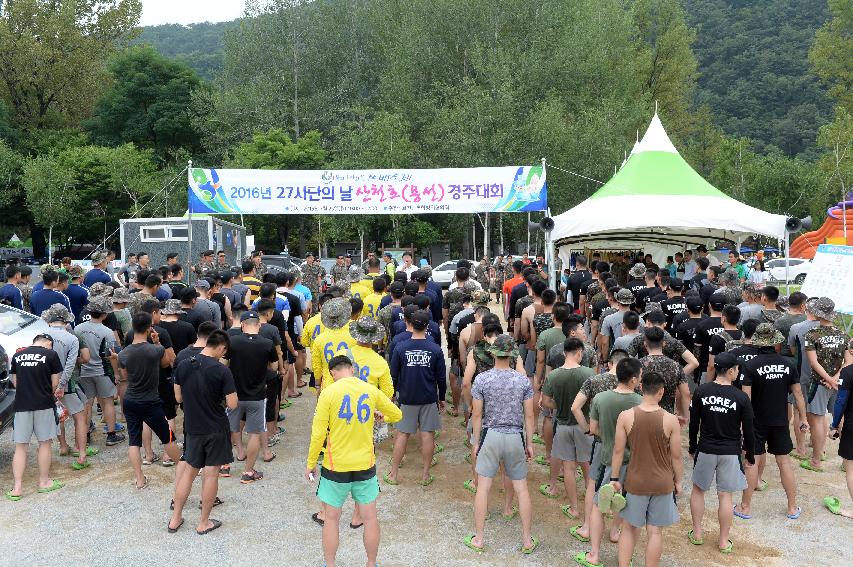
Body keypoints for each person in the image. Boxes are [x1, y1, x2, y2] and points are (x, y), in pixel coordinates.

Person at [305, 355, 402, 567]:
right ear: (352, 369)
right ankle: (371, 563)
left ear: (332, 373)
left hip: (335, 466)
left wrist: (311, 462)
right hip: (365, 465)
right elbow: (396, 414)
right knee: (370, 518)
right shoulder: (369, 390)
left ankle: (330, 564)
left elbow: (318, 432)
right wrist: (381, 417)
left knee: (331, 519)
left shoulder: (328, 393)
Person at [463, 334, 538, 553]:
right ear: (513, 354)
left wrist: (476, 441)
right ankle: (526, 540)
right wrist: (530, 442)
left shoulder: (483, 379)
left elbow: (477, 415)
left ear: (493, 353)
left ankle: (479, 538)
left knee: (483, 488)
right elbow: (530, 417)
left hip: (491, 434)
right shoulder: (522, 380)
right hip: (515, 436)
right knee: (522, 489)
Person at [734, 324, 807, 520]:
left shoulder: (750, 365)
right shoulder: (787, 364)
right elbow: (798, 394)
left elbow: (745, 399)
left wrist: (742, 423)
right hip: (780, 420)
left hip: (756, 421)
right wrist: (804, 419)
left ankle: (745, 507)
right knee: (784, 462)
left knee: (751, 462)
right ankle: (792, 507)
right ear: (775, 342)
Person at [609, 371, 682, 567]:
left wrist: (614, 479)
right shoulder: (671, 419)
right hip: (662, 481)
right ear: (661, 392)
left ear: (641, 388)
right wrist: (679, 481)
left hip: (635, 481)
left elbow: (618, 451)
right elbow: (676, 456)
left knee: (629, 528)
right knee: (655, 531)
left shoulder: (625, 416)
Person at [575, 357, 643, 567]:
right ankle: (616, 532)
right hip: (632, 461)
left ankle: (594, 554)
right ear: (633, 379)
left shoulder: (601, 399)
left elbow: (592, 429)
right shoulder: (641, 403)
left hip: (605, 454)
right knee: (626, 504)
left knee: (598, 504)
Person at [169, 329, 237, 534]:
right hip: (215, 427)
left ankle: (175, 518)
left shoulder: (182, 365)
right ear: (222, 347)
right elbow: (233, 404)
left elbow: (178, 398)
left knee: (189, 473)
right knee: (211, 475)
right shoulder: (222, 371)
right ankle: (203, 522)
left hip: (192, 427)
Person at [688, 352, 755, 554]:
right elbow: (749, 430)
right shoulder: (741, 397)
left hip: (706, 448)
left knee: (698, 490)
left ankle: (697, 533)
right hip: (730, 451)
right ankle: (723, 541)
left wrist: (692, 446)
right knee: (725, 496)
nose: (738, 372)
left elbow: (694, 423)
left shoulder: (701, 391)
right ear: (731, 370)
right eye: (737, 369)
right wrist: (750, 454)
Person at [118, 312, 181, 489]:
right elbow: (166, 363)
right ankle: (182, 468)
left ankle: (139, 479)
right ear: (149, 328)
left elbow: (124, 374)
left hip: (130, 400)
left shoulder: (123, 354)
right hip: (151, 401)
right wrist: (157, 342)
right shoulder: (155, 350)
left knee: (133, 441)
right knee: (167, 437)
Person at [386, 310, 446, 485]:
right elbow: (441, 377)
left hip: (407, 397)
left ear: (410, 324)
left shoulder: (401, 347)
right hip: (428, 397)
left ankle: (393, 474)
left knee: (402, 434)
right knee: (428, 434)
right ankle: (425, 475)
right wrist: (441, 397)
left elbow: (394, 375)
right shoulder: (434, 348)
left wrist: (392, 395)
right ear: (427, 326)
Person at [5, 334, 64, 500]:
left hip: (22, 405)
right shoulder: (51, 355)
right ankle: (44, 482)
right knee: (45, 443)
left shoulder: (17, 356)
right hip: (44, 404)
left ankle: (17, 488)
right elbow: (54, 384)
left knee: (21, 447)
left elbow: (15, 383)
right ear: (49, 343)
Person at [540, 338, 594, 518]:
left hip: (563, 426)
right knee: (588, 466)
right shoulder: (589, 373)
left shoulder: (553, 376)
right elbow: (595, 400)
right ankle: (592, 505)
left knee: (569, 468)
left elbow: (546, 402)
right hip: (584, 425)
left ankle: (574, 508)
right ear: (580, 353)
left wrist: (560, 405)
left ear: (564, 353)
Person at [223, 311, 279, 483]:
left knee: (230, 428)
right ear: (259, 325)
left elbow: (224, 365)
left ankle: (225, 465)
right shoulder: (267, 344)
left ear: (242, 325)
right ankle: (248, 472)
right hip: (257, 396)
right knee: (254, 433)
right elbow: (274, 367)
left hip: (235, 394)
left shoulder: (232, 342)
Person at [43, 305, 94, 470]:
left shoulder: (41, 336)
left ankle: (63, 445)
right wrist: (61, 384)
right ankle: (82, 454)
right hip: (67, 384)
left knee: (59, 415)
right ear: (65, 320)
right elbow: (70, 365)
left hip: (46, 382)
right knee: (79, 417)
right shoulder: (71, 338)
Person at [802, 297, 847, 473]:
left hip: (819, 383)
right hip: (840, 383)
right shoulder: (844, 335)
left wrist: (828, 379)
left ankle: (816, 460)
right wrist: (835, 378)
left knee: (819, 420)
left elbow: (813, 363)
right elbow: (848, 361)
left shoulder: (811, 335)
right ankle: (846, 461)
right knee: (841, 419)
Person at [75, 295, 124, 447]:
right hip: (102, 371)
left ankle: (86, 434)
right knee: (108, 401)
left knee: (86, 404)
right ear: (104, 314)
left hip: (84, 371)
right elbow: (111, 355)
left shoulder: (78, 329)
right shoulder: (107, 331)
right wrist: (116, 373)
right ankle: (111, 435)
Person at [639, 327, 691, 425]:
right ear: (663, 343)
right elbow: (686, 394)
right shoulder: (675, 366)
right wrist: (685, 417)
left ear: (645, 344)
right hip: (667, 417)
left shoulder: (638, 365)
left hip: (642, 415)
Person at [825, 348, 853, 519]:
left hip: (852, 425)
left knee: (851, 467)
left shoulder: (848, 372)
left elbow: (841, 400)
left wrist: (834, 425)